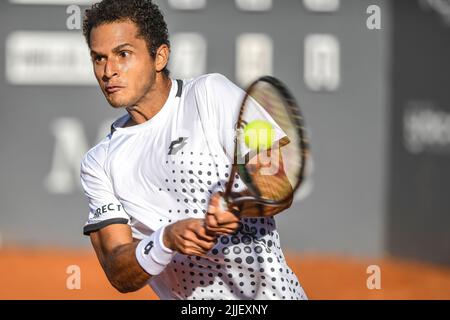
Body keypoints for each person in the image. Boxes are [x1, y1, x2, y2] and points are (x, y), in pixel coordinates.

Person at [80, 0, 307, 300]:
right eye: (99, 58)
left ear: (159, 56)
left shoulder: (212, 94)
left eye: (123, 54)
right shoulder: (99, 163)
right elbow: (118, 270)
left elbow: (279, 182)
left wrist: (237, 206)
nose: (108, 71)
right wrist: (166, 240)